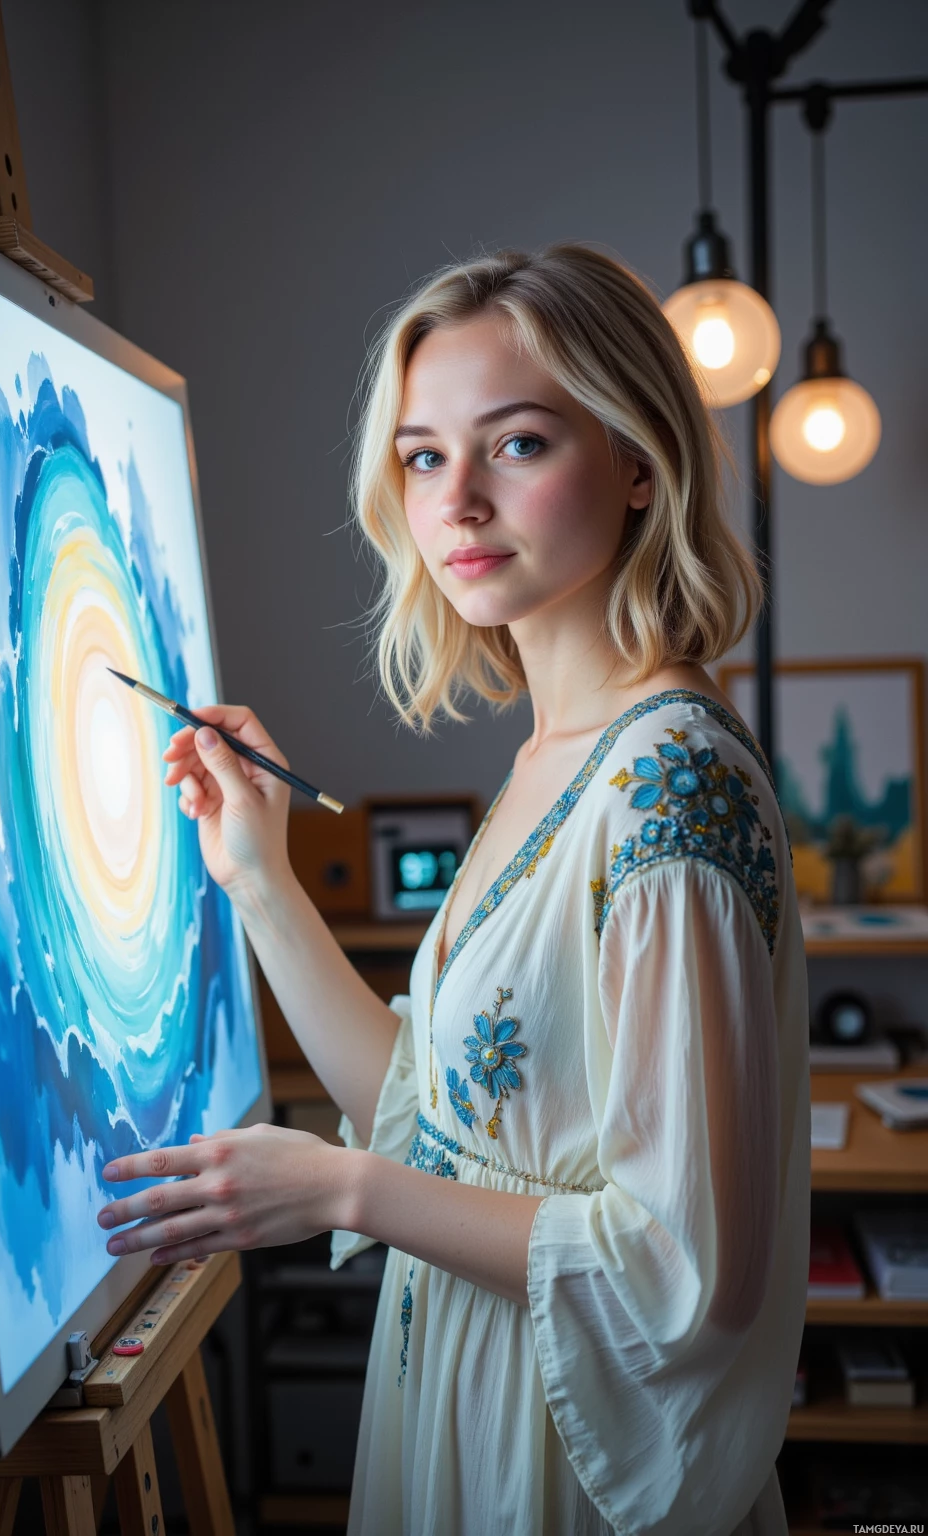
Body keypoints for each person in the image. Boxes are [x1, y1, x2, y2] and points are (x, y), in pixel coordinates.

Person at [97, 244, 811, 1535]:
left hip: (560, 1453)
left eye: (518, 445)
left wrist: (340, 1191)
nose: (458, 503)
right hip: (470, 1400)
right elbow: (435, 1124)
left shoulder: (669, 791)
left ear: (642, 461)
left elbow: (685, 1276)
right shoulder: (555, 753)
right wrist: (260, 881)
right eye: (424, 456)